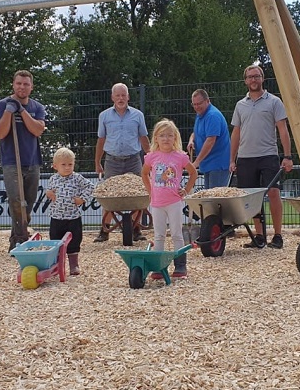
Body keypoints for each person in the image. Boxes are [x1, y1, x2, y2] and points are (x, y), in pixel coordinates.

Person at [229, 64, 294, 249]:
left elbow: (283, 130)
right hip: (246, 157)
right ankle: (259, 236)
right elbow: (236, 133)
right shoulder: (240, 105)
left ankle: (278, 235)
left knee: (274, 193)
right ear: (245, 81)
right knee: (252, 198)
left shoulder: (274, 102)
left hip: (268, 155)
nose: (253, 80)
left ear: (262, 78)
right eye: (250, 77)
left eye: (256, 76)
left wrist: (287, 156)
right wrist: (232, 159)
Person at [0, 70, 47, 252]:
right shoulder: (1, 105)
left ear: (31, 87)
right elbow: (0, 133)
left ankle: (18, 236)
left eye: (25, 84)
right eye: (18, 84)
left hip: (32, 161)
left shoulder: (37, 107)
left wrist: (22, 110)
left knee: (29, 202)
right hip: (11, 162)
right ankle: (20, 239)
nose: (22, 87)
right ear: (13, 85)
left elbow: (37, 130)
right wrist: (9, 111)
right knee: (16, 201)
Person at [93, 82, 151, 242]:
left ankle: (136, 229)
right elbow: (101, 139)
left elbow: (143, 138)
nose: (120, 98)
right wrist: (97, 162)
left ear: (128, 97)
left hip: (134, 160)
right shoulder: (104, 116)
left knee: (138, 194)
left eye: (123, 95)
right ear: (112, 97)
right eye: (117, 95)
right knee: (108, 196)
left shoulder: (137, 115)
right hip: (112, 161)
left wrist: (151, 158)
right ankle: (104, 230)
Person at [141, 119, 197, 279]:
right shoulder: (151, 157)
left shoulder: (180, 157)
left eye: (169, 135)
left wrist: (186, 190)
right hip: (157, 203)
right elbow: (144, 173)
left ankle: (180, 266)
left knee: (176, 234)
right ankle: (158, 267)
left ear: (175, 138)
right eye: (162, 135)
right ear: (156, 138)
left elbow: (193, 173)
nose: (166, 139)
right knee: (158, 235)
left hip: (174, 202)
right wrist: (150, 190)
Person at [45, 147, 95, 275]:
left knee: (74, 241)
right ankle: (56, 265)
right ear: (55, 166)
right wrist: (48, 193)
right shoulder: (53, 179)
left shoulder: (77, 178)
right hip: (56, 217)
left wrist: (82, 199)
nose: (67, 167)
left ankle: (74, 265)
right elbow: (49, 191)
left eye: (70, 164)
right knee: (55, 241)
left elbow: (90, 187)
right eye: (63, 164)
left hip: (73, 217)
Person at [187, 89, 231, 189]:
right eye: (194, 104)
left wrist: (196, 162)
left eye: (199, 104)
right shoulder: (201, 114)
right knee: (209, 199)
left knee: (215, 200)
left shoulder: (212, 116)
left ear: (207, 101)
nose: (197, 107)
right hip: (208, 164)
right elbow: (196, 132)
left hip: (217, 165)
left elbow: (210, 141)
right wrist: (191, 140)